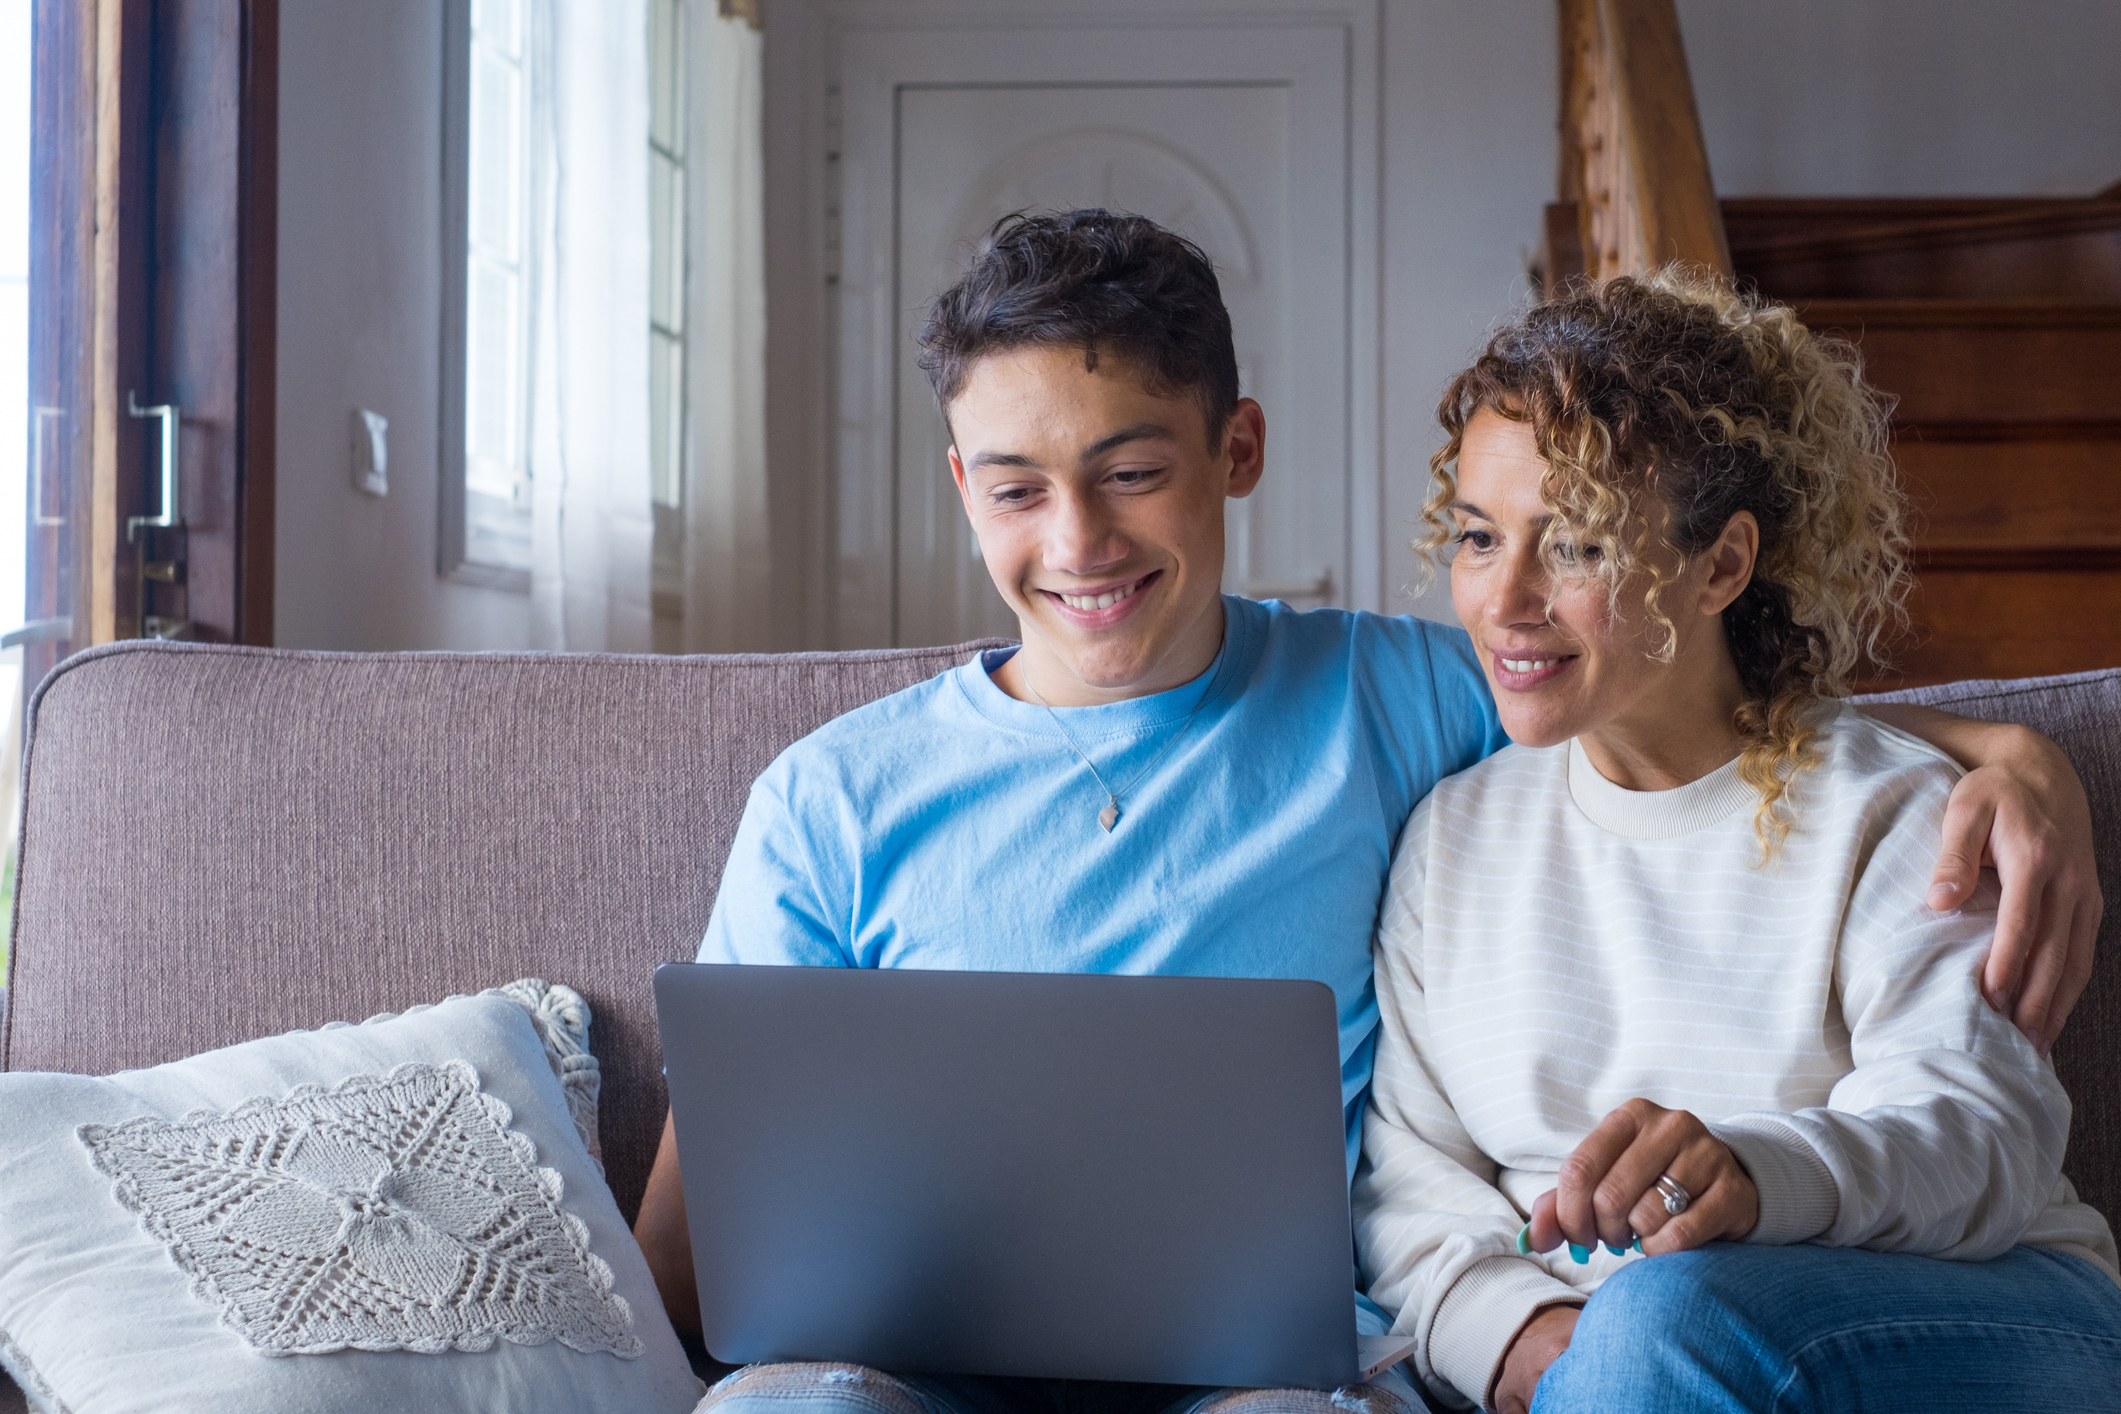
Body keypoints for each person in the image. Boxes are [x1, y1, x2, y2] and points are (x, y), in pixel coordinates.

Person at [632, 212, 2102, 1414]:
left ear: (1238, 450)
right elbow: (693, 1266)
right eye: (1016, 491)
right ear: (961, 485)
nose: (1077, 541)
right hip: (920, 1362)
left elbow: (1679, 710)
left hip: (1267, 1372)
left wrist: (2011, 751)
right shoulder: (830, 798)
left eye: (1131, 472)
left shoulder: (1398, 703)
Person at [1353, 268, 2121, 1414]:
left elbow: (1982, 1138)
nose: (1504, 598)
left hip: (1975, 1305)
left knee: (1665, 1316)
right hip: (1626, 1365)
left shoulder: (1896, 809)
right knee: (1639, 1335)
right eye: (1477, 535)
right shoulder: (1451, 837)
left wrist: (1754, 1173)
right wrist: (1511, 1330)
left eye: (1576, 545)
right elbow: (1408, 1181)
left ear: (1721, 564)